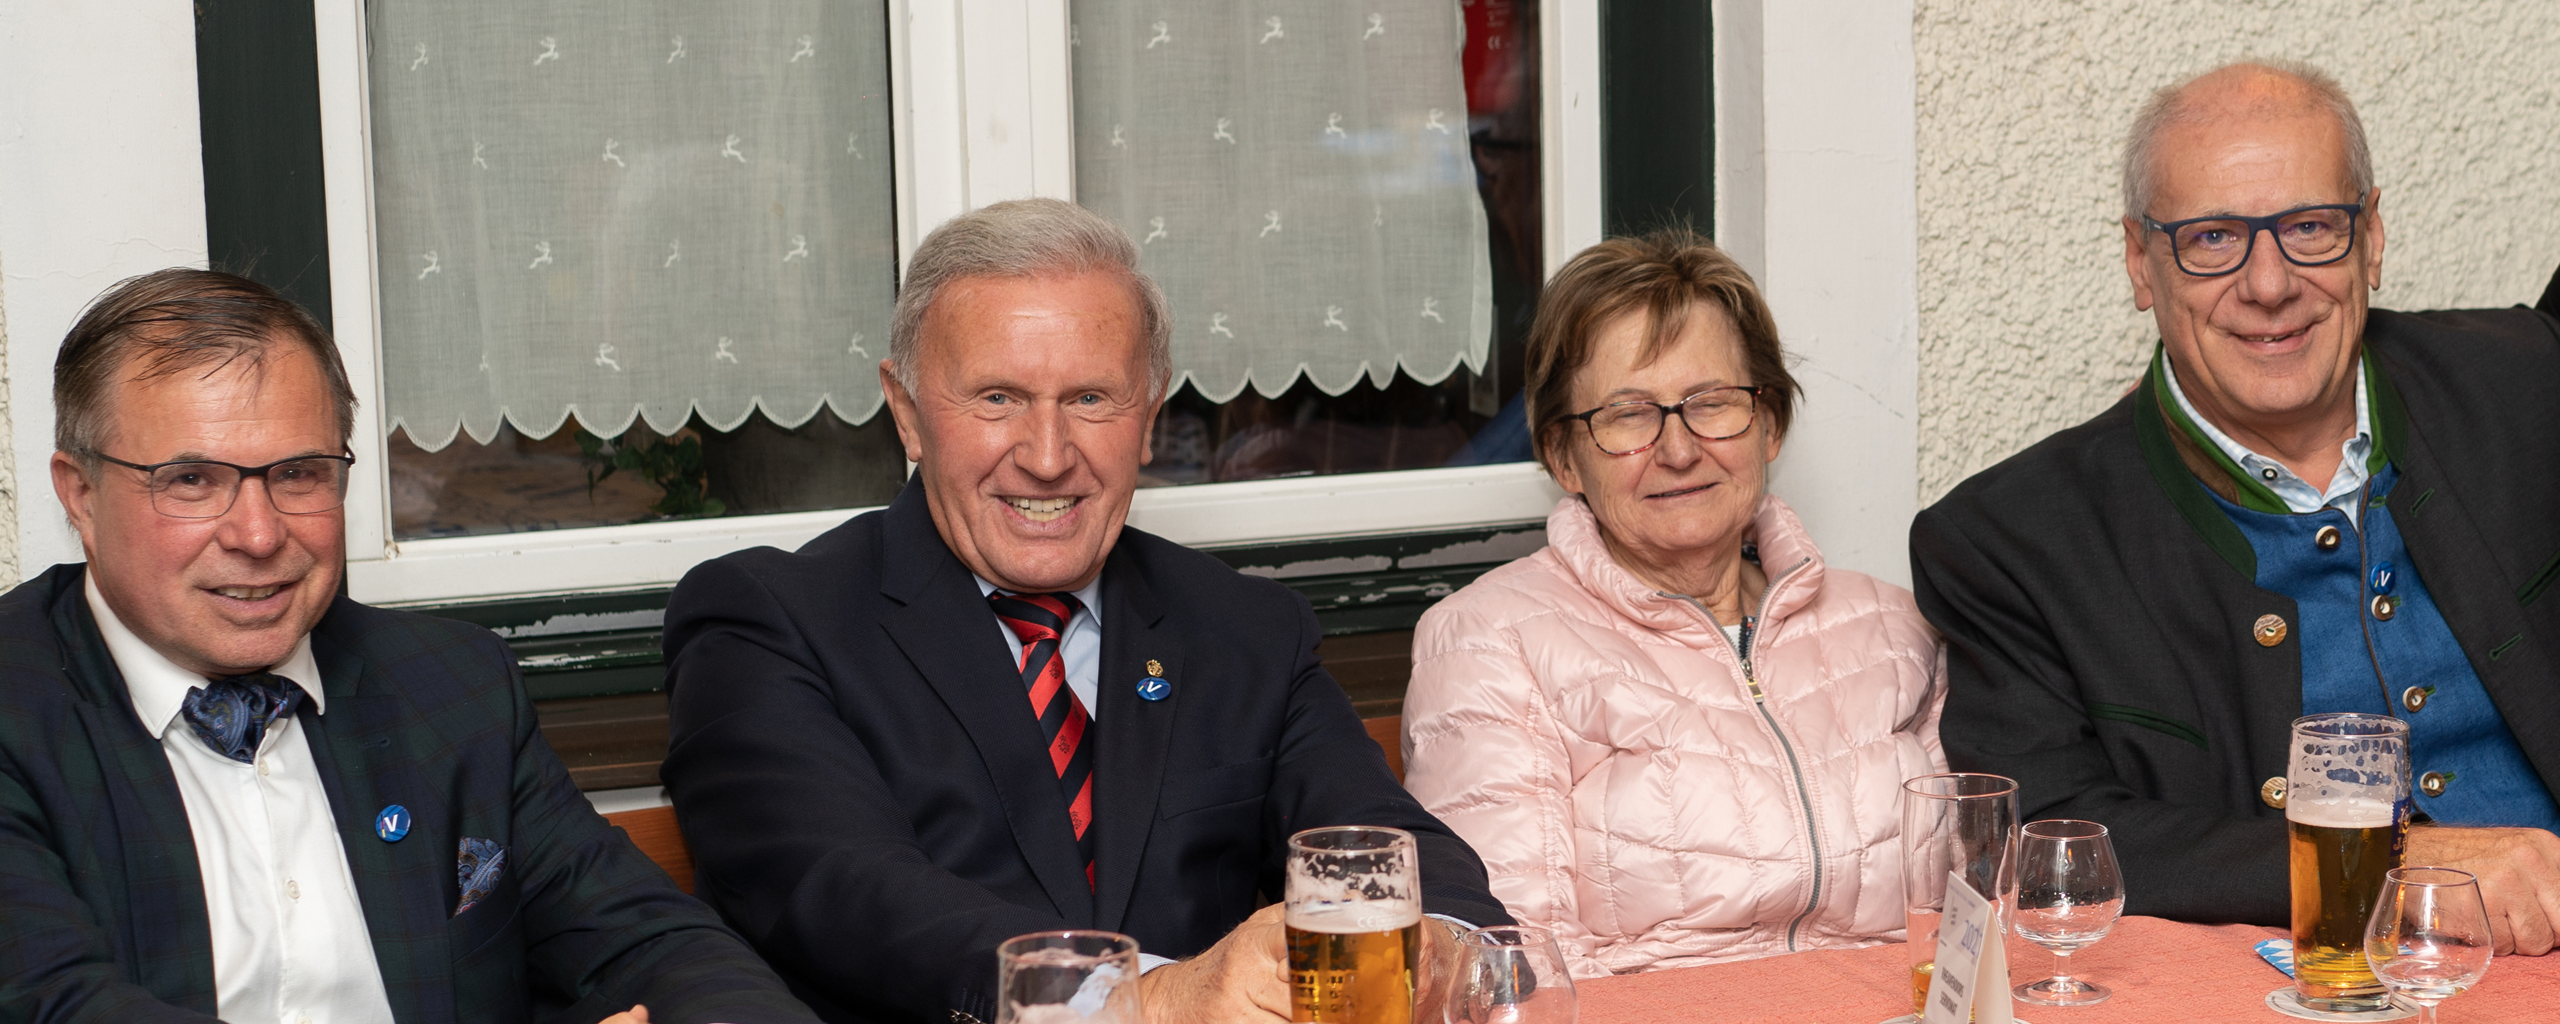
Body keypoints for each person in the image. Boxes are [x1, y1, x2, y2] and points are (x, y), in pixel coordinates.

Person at [659, 198, 1510, 1024]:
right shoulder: (767, 622)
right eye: (997, 398)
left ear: (1149, 416)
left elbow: (1396, 848)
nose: (1048, 455)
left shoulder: (1245, 630)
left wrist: (1436, 948)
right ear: (908, 413)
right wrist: (1143, 1000)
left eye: (1092, 400)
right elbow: (843, 894)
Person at [0, 269, 818, 1024]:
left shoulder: (450, 687)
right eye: (191, 480)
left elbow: (646, 938)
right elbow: (58, 1006)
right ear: (79, 493)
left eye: (299, 474)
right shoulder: (18, 711)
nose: (258, 534)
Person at [1911, 59, 2560, 953]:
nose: (2268, 284)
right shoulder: (2013, 543)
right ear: (2142, 262)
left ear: (2371, 235)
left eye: (2310, 226)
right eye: (2213, 238)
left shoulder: (2532, 383)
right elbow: (2048, 840)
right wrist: (2391, 864)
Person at [1400, 229, 1948, 977]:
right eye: (1627, 415)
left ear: (1770, 423)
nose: (1680, 449)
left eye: (1712, 403)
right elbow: (1513, 966)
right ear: (1563, 455)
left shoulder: (1891, 629)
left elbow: (1969, 916)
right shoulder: (1489, 642)